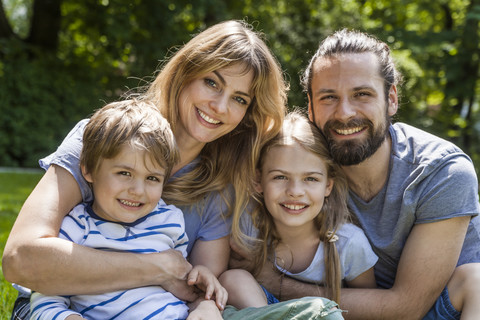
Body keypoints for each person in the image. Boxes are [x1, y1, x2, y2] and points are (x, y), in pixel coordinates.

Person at [3, 20, 289, 320]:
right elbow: (20, 259)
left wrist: (202, 304)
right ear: (185, 73)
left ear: (246, 114)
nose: (219, 105)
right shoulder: (104, 138)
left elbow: (195, 292)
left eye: (239, 99)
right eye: (212, 82)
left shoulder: (218, 188)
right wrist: (158, 269)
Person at [243, 28, 480, 319]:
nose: (344, 113)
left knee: (477, 280)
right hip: (342, 311)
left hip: (437, 310)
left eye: (362, 94)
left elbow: (407, 308)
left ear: (391, 98)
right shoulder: (306, 166)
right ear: (311, 107)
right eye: (328, 97)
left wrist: (275, 282)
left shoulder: (441, 173)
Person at [29, 99, 226, 320]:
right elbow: (45, 299)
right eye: (125, 173)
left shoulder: (169, 221)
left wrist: (201, 297)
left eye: (152, 178)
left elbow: (181, 285)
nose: (138, 190)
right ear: (88, 170)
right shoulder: (75, 228)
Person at [219, 111, 377, 313]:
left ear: (328, 185)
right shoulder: (246, 230)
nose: (294, 191)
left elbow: (369, 309)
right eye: (280, 177)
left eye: (310, 179)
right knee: (233, 280)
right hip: (261, 309)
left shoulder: (349, 244)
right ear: (258, 181)